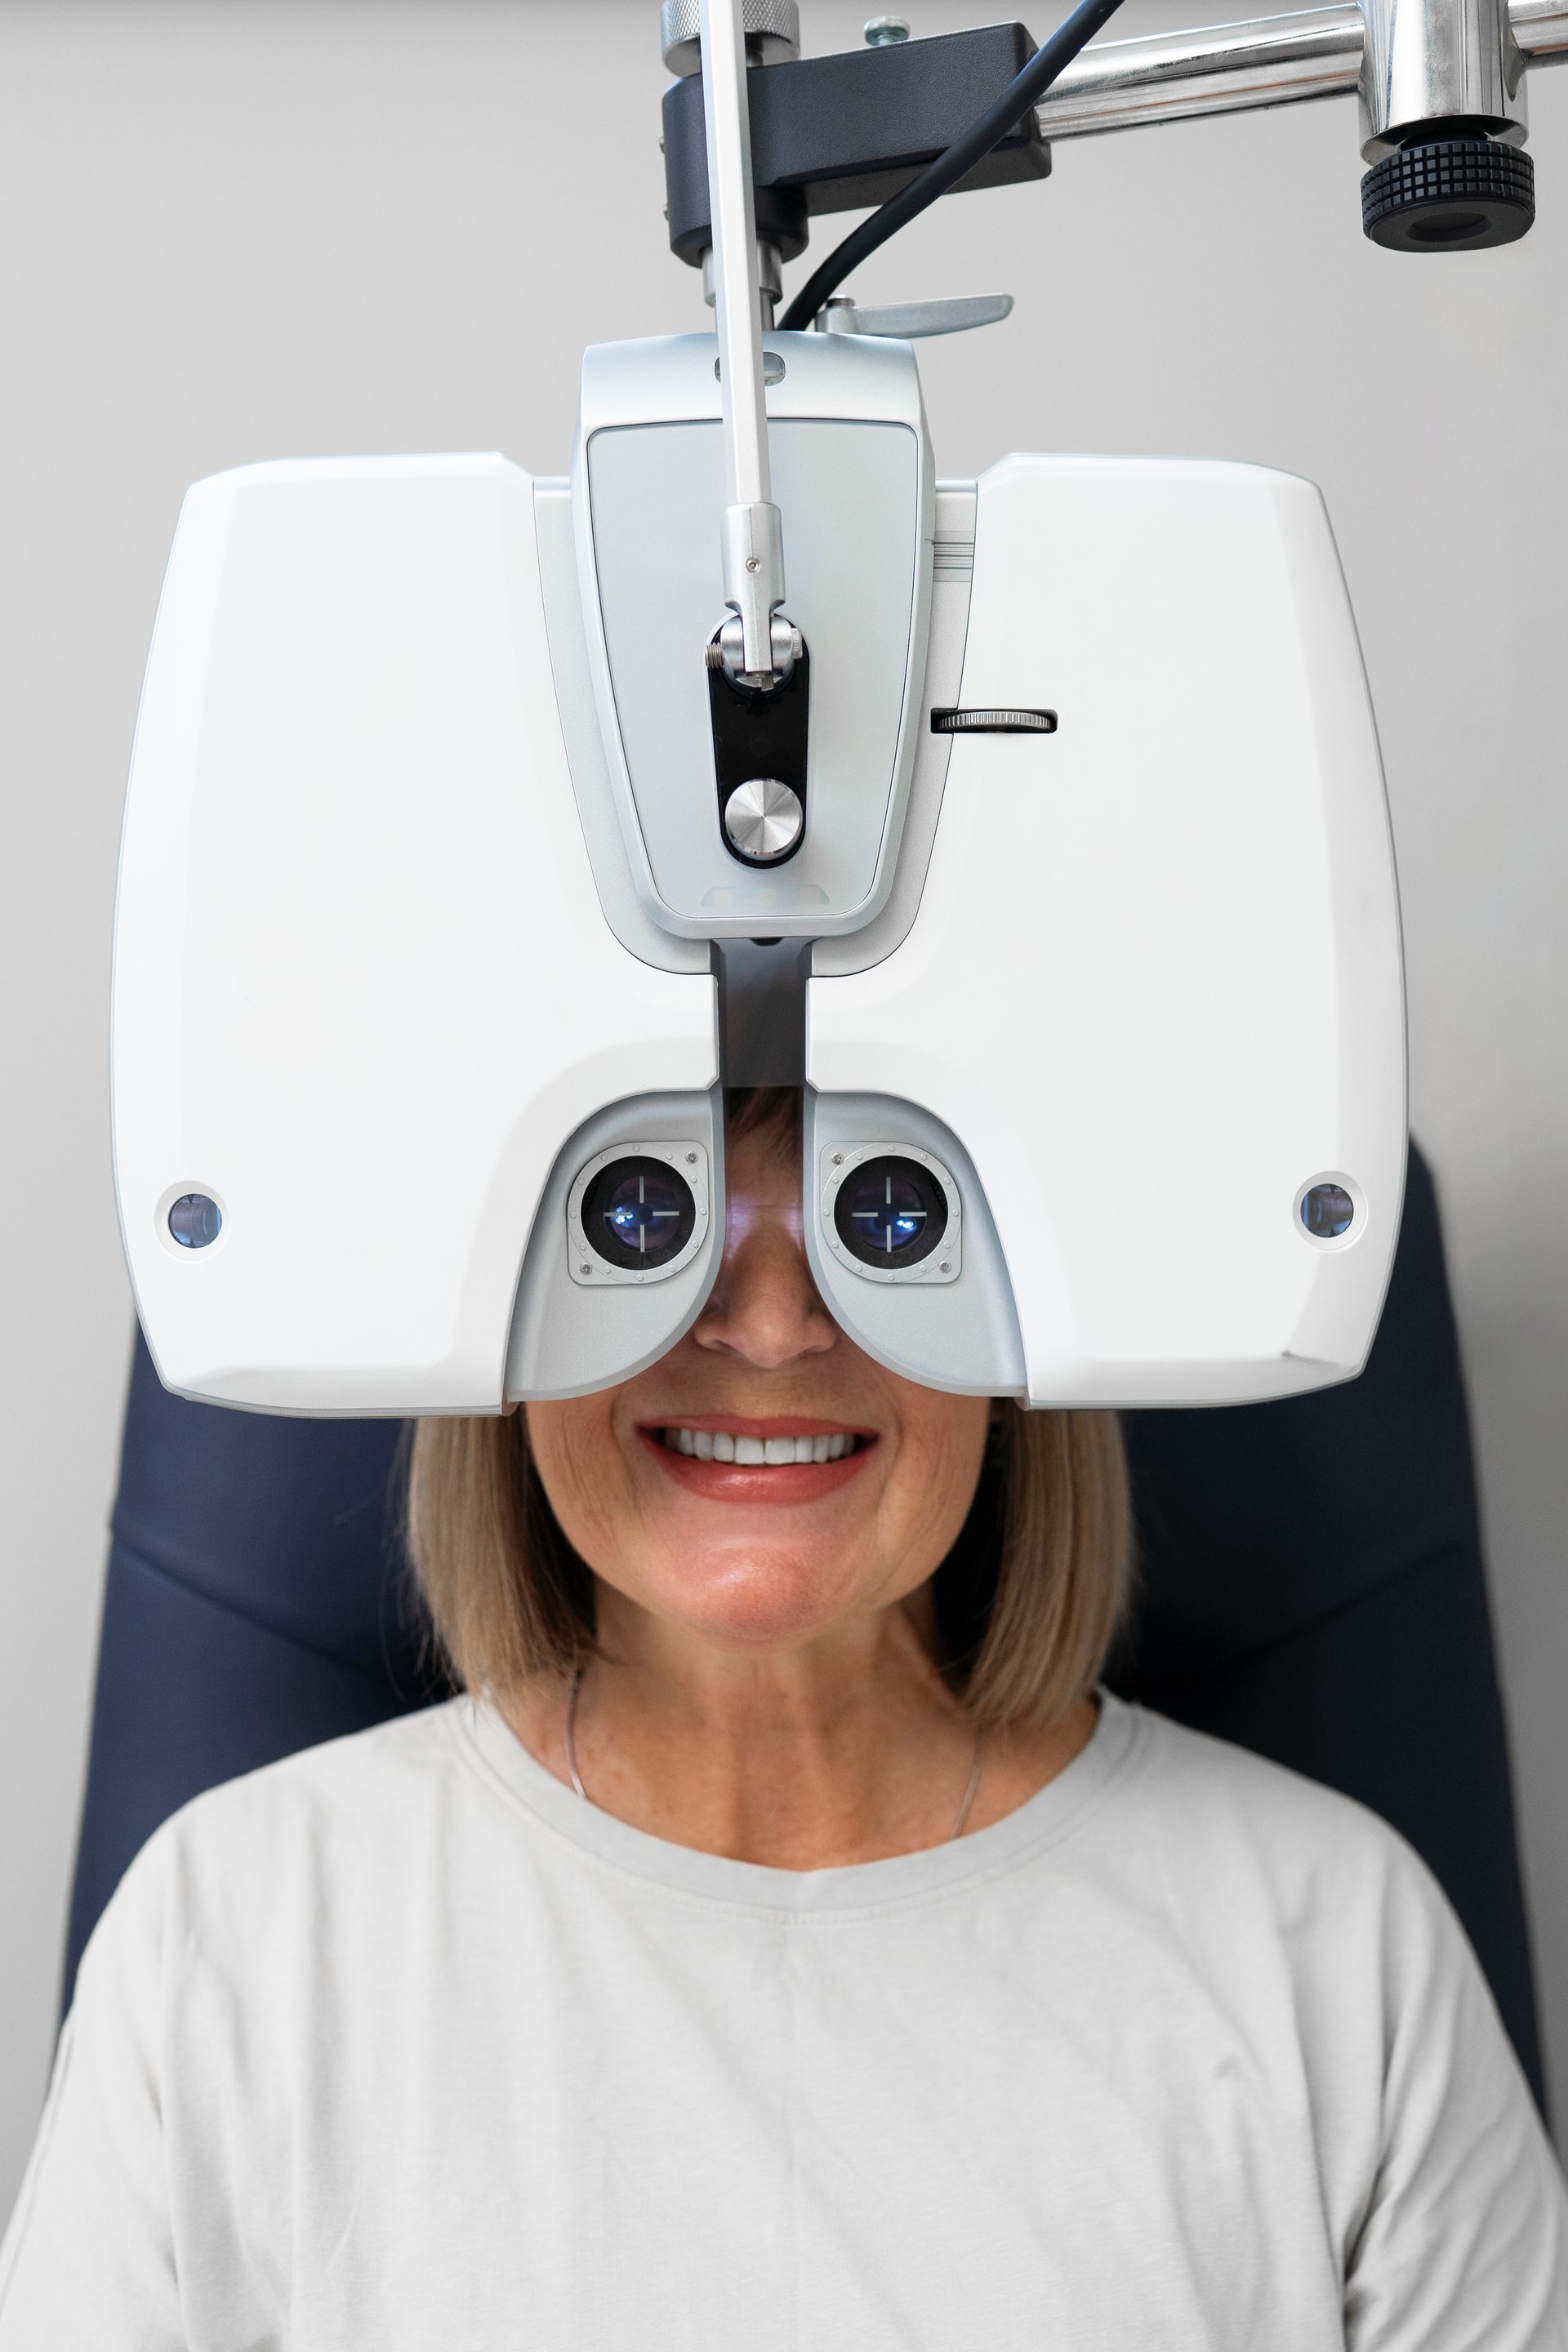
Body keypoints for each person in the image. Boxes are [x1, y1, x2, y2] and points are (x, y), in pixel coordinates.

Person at [1, 1087, 1564, 2349]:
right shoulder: (235, 1935)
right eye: (640, 1223)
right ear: (501, 1324)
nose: (766, 1329)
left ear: (1021, 1344)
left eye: (888, 1226)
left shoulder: (1333, 1949)